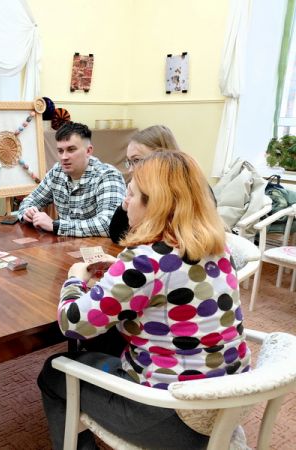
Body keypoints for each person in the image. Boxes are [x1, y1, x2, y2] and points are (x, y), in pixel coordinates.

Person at [37, 151, 251, 450]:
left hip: (172, 415)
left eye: (131, 194)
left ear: (156, 204)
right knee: (107, 344)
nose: (125, 203)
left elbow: (72, 324)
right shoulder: (218, 246)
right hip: (227, 403)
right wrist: (120, 273)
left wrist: (75, 279)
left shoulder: (145, 260)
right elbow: (173, 284)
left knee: (54, 370)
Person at [16, 122, 126, 237]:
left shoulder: (107, 176)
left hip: (99, 247)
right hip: (64, 244)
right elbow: (30, 200)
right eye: (60, 151)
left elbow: (109, 224)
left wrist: (56, 226)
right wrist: (28, 212)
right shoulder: (57, 172)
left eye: (71, 150)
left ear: (88, 151)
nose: (64, 157)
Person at [109, 124, 180, 243]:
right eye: (129, 162)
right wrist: (126, 206)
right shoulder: (139, 188)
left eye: (136, 160)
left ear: (162, 157)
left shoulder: (189, 191)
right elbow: (117, 236)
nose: (130, 169)